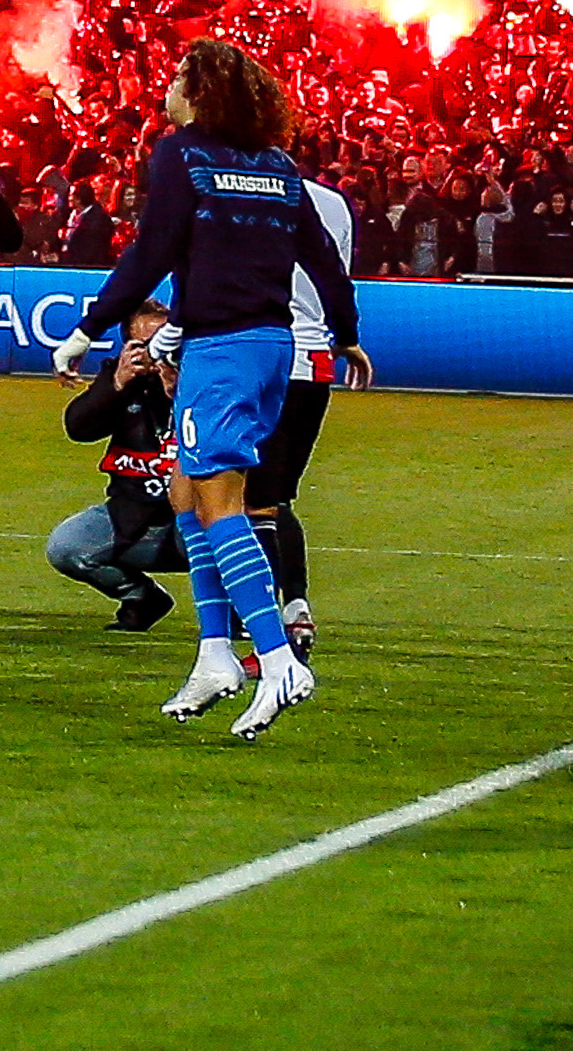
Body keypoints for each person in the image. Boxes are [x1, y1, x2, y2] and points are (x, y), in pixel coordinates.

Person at [56, 39, 355, 739]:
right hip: (258, 345)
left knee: (222, 505)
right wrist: (343, 331)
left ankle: (277, 660)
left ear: (198, 91)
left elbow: (150, 252)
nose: (168, 87)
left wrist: (89, 327)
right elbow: (319, 258)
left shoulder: (181, 154)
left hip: (222, 350)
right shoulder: (275, 166)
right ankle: (214, 654)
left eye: (177, 77)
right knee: (190, 492)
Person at [252, 160, 375, 658]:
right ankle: (294, 606)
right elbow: (334, 274)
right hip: (315, 360)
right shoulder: (333, 202)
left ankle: (260, 627)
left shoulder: (241, 195)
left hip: (262, 354)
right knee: (276, 495)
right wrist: (347, 338)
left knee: (244, 495)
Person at [45, 308, 187, 627]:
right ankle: (141, 597)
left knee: (232, 532)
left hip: (192, 516)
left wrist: (181, 392)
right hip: (131, 517)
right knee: (66, 547)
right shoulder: (119, 379)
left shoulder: (200, 375)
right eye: (145, 345)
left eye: (165, 343)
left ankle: (235, 614)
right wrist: (117, 385)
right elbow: (78, 428)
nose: (156, 353)